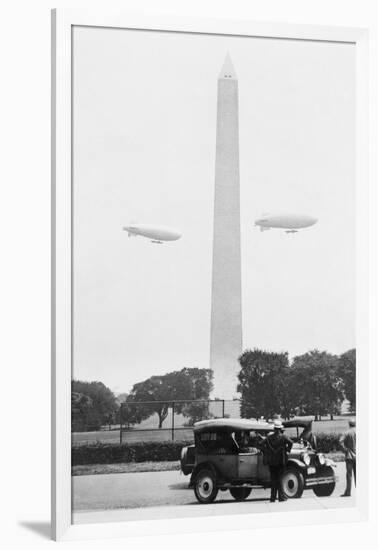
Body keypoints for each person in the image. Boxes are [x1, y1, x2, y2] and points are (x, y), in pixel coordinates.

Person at [262, 420, 293, 502]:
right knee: (280, 479)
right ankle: (281, 497)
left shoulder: (269, 438)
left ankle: (272, 497)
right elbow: (291, 442)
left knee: (273, 480)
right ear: (280, 429)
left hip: (272, 462)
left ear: (274, 429)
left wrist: (266, 450)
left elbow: (261, 443)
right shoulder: (283, 437)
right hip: (281, 461)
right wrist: (287, 449)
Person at [339, 419, 356, 497]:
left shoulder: (347, 432)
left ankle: (348, 492)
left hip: (349, 456)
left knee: (349, 475)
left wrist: (345, 450)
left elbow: (340, 441)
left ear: (349, 424)